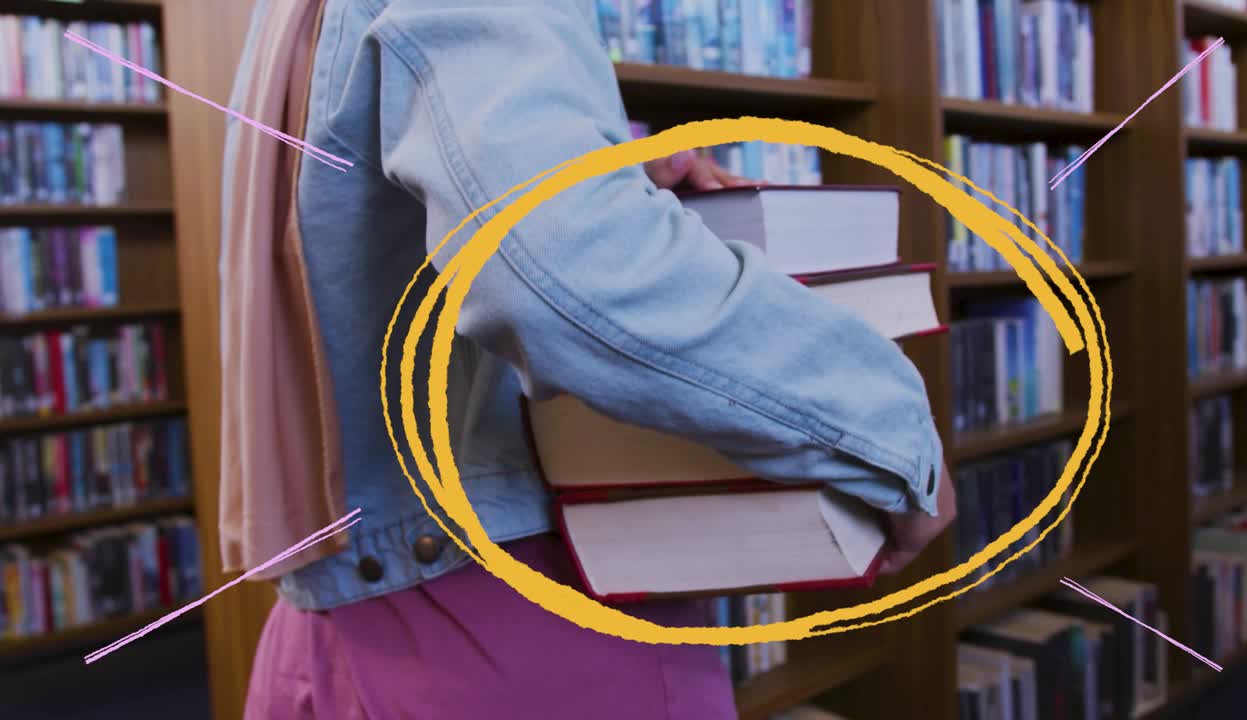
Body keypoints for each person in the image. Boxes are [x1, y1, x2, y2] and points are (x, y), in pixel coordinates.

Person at [220, 1, 955, 718]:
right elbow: (557, 275)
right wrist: (889, 434)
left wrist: (604, 179)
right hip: (512, 626)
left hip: (335, 627)